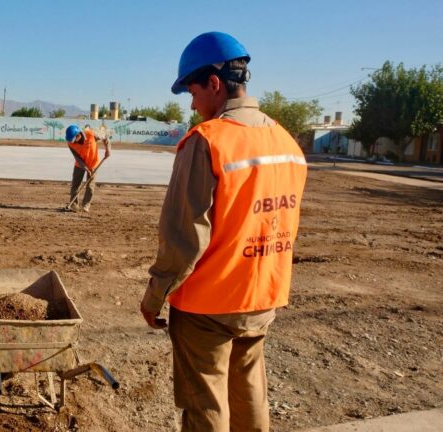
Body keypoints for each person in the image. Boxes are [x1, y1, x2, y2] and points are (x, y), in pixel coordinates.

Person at [139, 32, 307, 432]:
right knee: (249, 392)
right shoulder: (286, 142)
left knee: (207, 405)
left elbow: (184, 237)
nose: (193, 105)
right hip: (262, 296)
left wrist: (155, 294)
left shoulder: (207, 141)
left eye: (192, 92)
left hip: (208, 304)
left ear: (214, 83)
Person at [64, 124, 111, 212]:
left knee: (90, 186)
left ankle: (86, 205)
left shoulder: (91, 134)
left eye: (73, 140)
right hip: (80, 165)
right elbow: (77, 157)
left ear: (78, 135)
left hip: (93, 164)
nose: (72, 142)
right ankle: (74, 205)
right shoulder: (70, 143)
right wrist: (86, 168)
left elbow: (105, 137)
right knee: (75, 185)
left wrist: (108, 149)